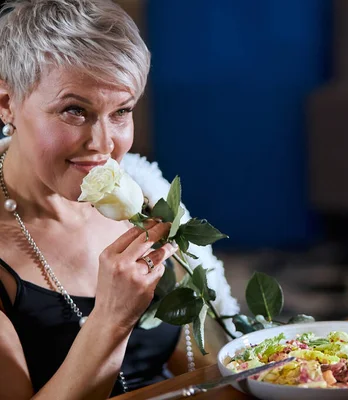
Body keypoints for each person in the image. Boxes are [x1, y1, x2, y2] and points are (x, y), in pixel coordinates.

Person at [0, 0, 239, 398]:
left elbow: (205, 369)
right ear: (6, 103)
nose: (104, 145)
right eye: (74, 110)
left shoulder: (144, 198)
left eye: (122, 111)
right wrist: (112, 318)